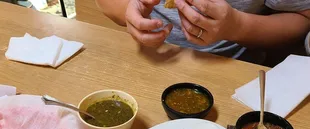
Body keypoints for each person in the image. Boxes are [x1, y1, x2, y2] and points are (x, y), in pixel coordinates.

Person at [96, 0, 310, 62]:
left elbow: (304, 19)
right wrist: (129, 11)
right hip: (143, 60)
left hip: (231, 71)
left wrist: (237, 26)